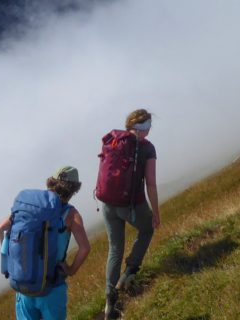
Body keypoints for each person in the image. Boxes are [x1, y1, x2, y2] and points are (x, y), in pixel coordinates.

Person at [0, 166, 91, 320]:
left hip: (24, 285)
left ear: (52, 182)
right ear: (74, 189)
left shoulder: (30, 208)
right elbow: (85, 248)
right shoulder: (71, 214)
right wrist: (71, 270)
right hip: (52, 285)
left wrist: (11, 257)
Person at [97, 108, 159, 320]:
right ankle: (130, 271)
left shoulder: (114, 141)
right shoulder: (146, 148)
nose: (150, 130)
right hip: (131, 204)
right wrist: (156, 213)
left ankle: (109, 303)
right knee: (147, 229)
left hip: (107, 203)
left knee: (115, 248)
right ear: (144, 129)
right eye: (149, 126)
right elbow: (150, 183)